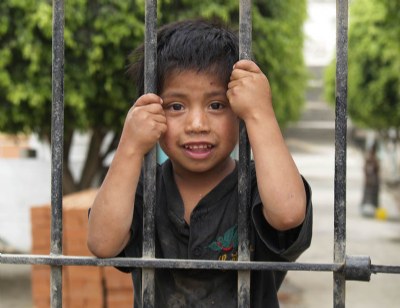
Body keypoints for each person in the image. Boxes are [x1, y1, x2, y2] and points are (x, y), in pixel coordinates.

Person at [87, 19, 312, 308]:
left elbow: (288, 213)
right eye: (176, 106)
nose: (197, 124)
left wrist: (261, 114)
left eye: (216, 105)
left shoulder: (258, 186)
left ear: (239, 110)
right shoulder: (146, 186)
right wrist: (130, 147)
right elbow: (102, 243)